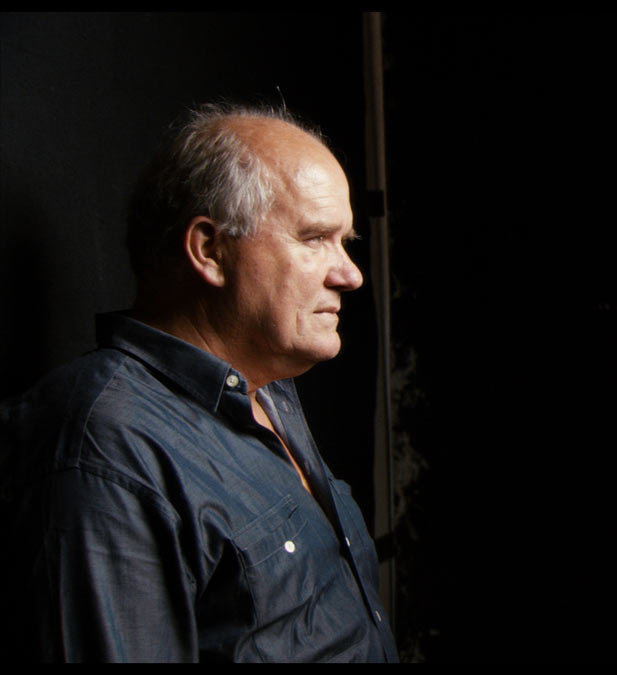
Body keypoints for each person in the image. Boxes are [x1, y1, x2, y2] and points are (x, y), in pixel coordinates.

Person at [0, 105, 398, 662]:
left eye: (346, 242)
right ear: (210, 250)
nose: (351, 274)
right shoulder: (107, 449)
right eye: (314, 238)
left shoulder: (270, 389)